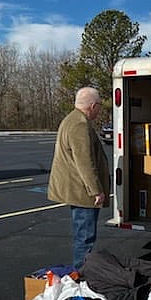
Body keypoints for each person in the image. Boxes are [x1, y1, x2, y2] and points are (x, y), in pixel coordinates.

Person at [48, 87, 110, 268]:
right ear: (92, 106)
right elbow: (85, 162)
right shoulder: (80, 125)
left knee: (82, 235)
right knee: (85, 237)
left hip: (76, 188)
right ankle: (81, 276)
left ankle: (81, 273)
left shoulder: (71, 120)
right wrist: (96, 190)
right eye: (99, 106)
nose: (99, 111)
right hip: (82, 192)